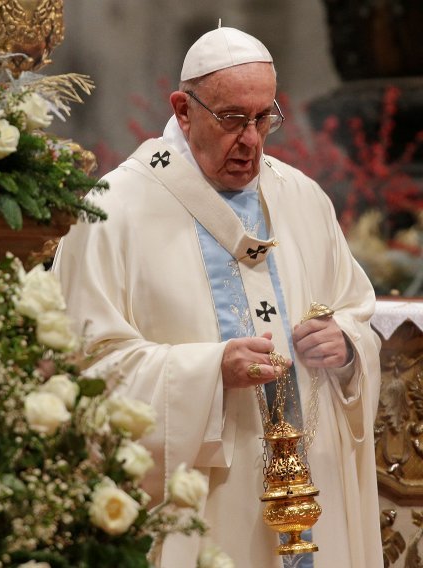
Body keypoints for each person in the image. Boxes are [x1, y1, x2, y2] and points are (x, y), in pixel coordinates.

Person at [51, 26, 382, 568]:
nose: (251, 139)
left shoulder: (301, 197)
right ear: (183, 110)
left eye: (263, 118)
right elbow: (83, 369)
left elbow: (356, 313)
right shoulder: (115, 211)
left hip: (309, 487)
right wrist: (207, 371)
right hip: (200, 504)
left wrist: (346, 346)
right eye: (231, 119)